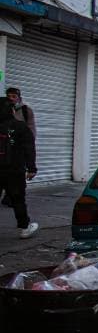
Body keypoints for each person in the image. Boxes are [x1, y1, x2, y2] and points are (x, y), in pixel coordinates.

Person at [0, 98, 38, 239]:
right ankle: (25, 228)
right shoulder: (20, 127)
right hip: (14, 170)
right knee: (18, 200)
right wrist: (31, 168)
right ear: (11, 110)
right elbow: (29, 149)